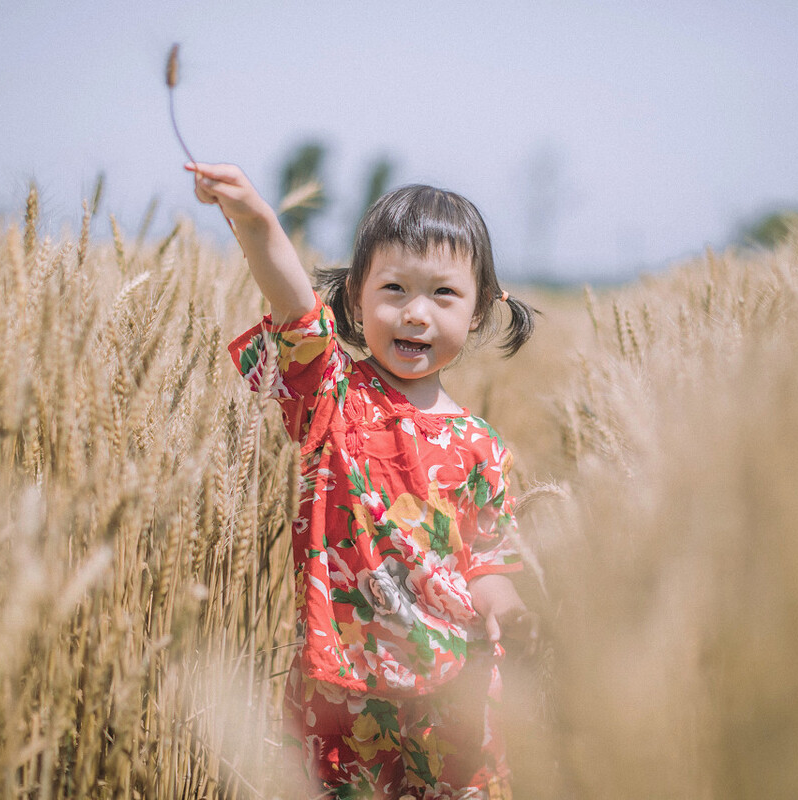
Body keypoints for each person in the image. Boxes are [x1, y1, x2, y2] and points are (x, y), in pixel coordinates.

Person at [186, 161, 539, 799]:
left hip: (450, 692)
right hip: (339, 688)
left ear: (482, 308)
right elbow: (293, 306)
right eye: (394, 289)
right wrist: (256, 220)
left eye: (444, 295)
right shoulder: (332, 394)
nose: (416, 314)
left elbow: (485, 562)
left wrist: (503, 605)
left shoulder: (482, 446)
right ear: (354, 298)